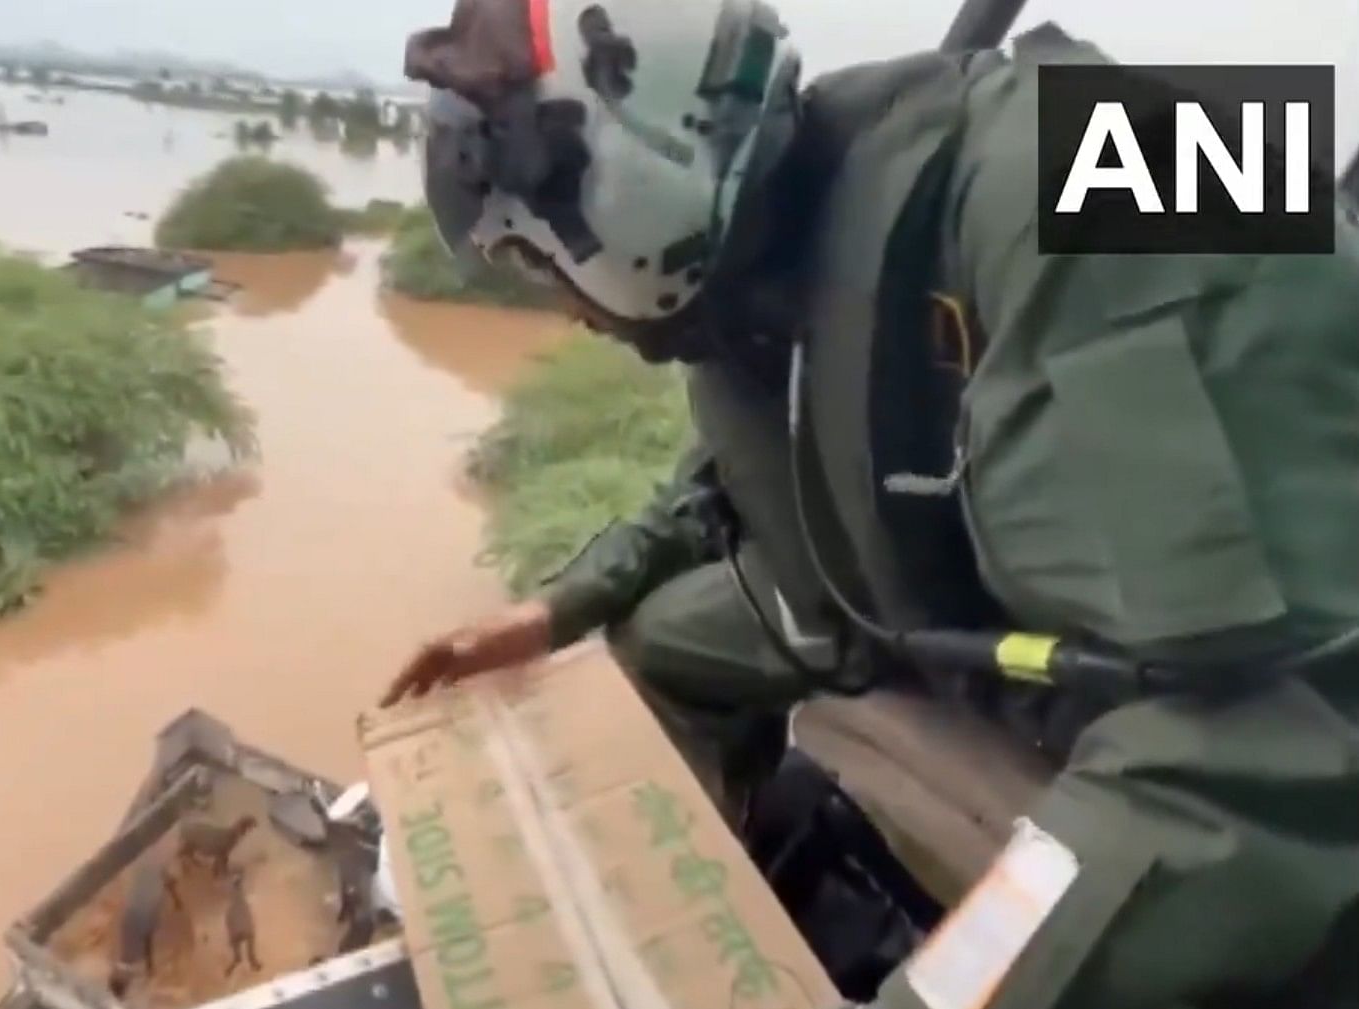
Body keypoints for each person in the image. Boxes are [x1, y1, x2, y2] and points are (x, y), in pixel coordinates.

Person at [378, 1, 1359, 1007]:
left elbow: (1264, 743)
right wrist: (562, 604)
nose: (562, 308)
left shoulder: (1125, 161)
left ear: (619, 188)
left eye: (532, 260)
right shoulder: (773, 247)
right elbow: (746, 470)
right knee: (665, 638)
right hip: (979, 619)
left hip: (1253, 739)